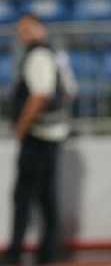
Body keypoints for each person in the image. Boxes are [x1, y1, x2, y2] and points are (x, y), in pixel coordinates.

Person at [0, 13, 77, 266]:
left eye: (26, 27)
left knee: (23, 195)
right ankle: (48, 251)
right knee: (46, 194)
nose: (22, 33)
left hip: (38, 135)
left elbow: (40, 95)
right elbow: (69, 91)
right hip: (54, 134)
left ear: (38, 28)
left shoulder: (38, 55)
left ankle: (15, 252)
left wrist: (22, 127)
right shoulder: (56, 53)